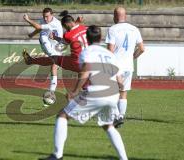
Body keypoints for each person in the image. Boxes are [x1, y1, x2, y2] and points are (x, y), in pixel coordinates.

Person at [38, 25, 128, 160]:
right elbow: (121, 81)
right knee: (108, 125)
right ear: (101, 38)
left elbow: (85, 72)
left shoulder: (87, 52)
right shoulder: (110, 54)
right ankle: (124, 158)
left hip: (96, 92)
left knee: (62, 116)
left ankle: (57, 155)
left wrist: (74, 92)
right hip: (112, 94)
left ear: (87, 38)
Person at [105, 7, 145, 127]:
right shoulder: (134, 29)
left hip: (116, 66)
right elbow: (142, 48)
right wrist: (132, 57)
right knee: (123, 93)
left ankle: (117, 116)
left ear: (115, 16)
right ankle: (120, 117)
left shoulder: (113, 29)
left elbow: (110, 51)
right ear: (125, 16)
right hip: (128, 66)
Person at [23, 13, 88, 75]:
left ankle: (30, 61)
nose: (65, 28)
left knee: (53, 59)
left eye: (64, 27)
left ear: (66, 24)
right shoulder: (84, 28)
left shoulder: (68, 34)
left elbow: (65, 41)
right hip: (91, 60)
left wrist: (54, 37)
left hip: (77, 63)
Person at [23, 7, 63, 94]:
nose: (45, 19)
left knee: (53, 66)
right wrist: (32, 34)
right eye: (44, 16)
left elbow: (38, 26)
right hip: (49, 44)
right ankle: (51, 94)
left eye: (47, 16)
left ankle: (31, 60)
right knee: (43, 36)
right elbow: (40, 29)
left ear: (52, 15)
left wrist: (28, 19)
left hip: (57, 46)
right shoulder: (43, 20)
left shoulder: (55, 23)